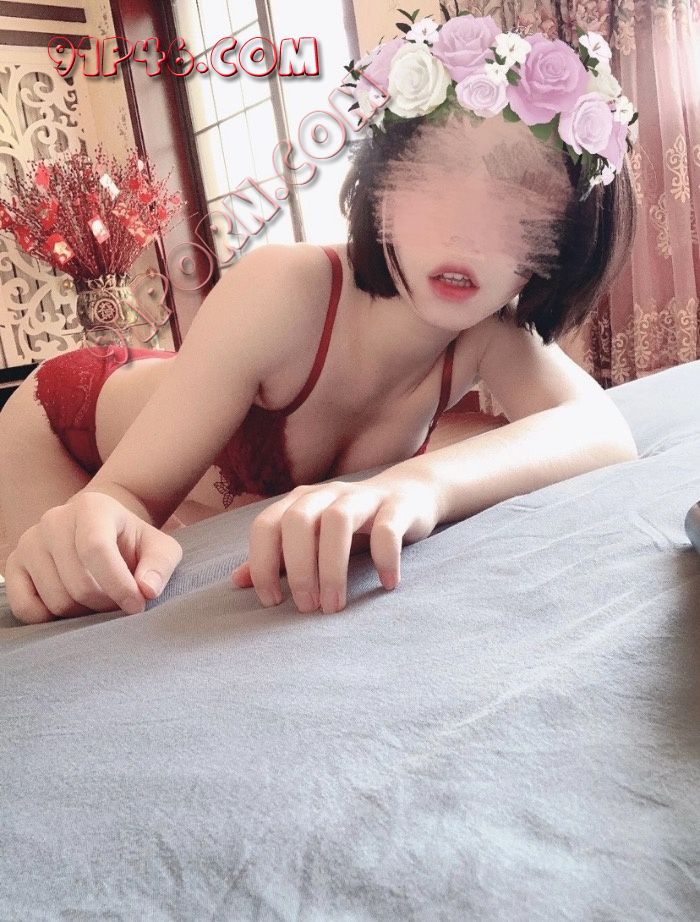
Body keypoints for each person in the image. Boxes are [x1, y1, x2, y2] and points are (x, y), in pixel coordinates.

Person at [0, 14, 640, 624]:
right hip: (61, 423)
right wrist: (102, 513)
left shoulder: (489, 329)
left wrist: (423, 484)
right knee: (78, 606)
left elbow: (601, 431)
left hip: (203, 406)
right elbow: (128, 497)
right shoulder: (281, 287)